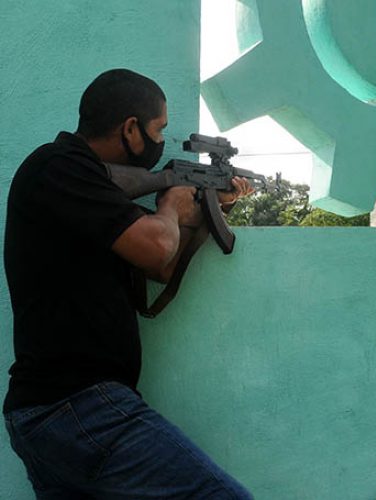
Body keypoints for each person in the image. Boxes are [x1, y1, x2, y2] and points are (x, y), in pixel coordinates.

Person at [3, 69, 255, 499]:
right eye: (158, 130)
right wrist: (173, 203)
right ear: (131, 129)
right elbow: (157, 246)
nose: (160, 144)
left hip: (55, 412)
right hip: (79, 405)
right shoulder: (60, 166)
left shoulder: (87, 189)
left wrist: (212, 202)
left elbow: (160, 266)